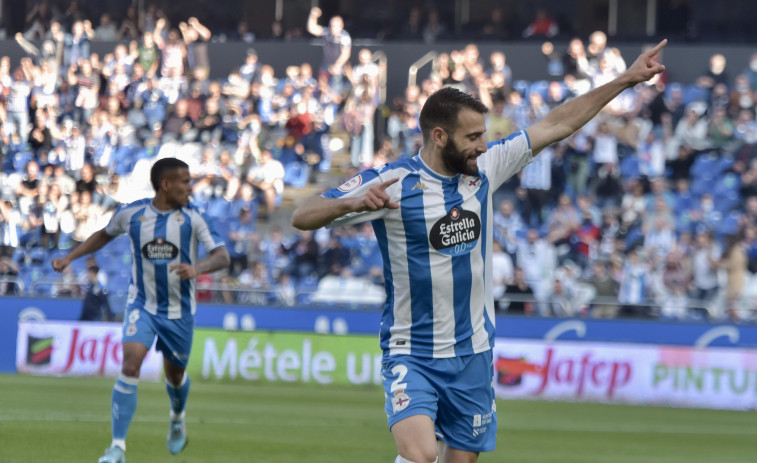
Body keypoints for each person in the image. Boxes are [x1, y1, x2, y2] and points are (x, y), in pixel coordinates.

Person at [292, 40, 667, 463]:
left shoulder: (485, 170)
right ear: (439, 136)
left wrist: (625, 80)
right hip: (412, 349)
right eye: (472, 137)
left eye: (484, 135)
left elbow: (557, 125)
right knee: (418, 455)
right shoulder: (392, 182)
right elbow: (303, 214)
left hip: (473, 354)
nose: (483, 146)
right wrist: (350, 203)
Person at [51, 158, 230, 463]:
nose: (190, 187)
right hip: (142, 305)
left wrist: (197, 267)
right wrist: (71, 257)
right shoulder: (132, 214)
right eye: (185, 181)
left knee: (174, 376)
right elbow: (104, 234)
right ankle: (117, 447)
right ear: (166, 184)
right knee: (131, 365)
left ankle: (177, 416)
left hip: (179, 312)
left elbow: (222, 256)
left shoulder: (194, 217)